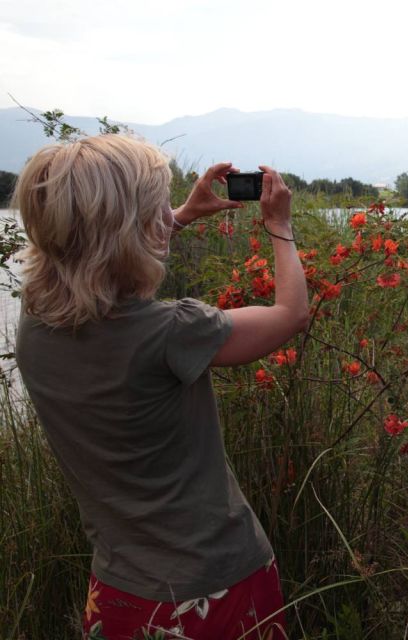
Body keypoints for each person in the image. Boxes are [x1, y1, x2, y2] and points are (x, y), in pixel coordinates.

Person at [13, 134, 309, 638]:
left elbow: (91, 250)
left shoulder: (35, 324)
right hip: (212, 589)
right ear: (134, 230)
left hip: (116, 592)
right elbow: (291, 314)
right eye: (155, 211)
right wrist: (279, 227)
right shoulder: (172, 333)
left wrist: (181, 216)